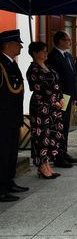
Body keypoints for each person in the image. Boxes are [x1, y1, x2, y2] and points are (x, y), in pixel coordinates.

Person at [26, 41, 65, 179]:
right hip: (41, 107)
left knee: (52, 135)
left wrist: (61, 99)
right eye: (43, 51)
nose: (45, 53)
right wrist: (53, 101)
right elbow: (41, 89)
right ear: (35, 53)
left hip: (54, 107)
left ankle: (47, 163)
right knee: (41, 136)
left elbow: (57, 84)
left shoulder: (48, 66)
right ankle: (41, 166)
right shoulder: (33, 69)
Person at [0, 29, 28, 202]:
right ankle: (1, 188)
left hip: (13, 117)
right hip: (2, 119)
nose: (20, 47)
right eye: (18, 44)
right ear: (8, 45)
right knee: (2, 154)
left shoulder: (11, 63)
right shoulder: (1, 64)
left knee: (11, 153)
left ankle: (9, 181)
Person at [46, 31, 77, 168]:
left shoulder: (68, 55)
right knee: (59, 125)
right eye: (67, 40)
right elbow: (55, 79)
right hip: (61, 96)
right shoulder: (53, 57)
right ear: (60, 41)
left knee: (65, 125)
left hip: (68, 96)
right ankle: (58, 156)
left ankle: (63, 151)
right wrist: (59, 97)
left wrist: (74, 96)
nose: (70, 42)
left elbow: (73, 77)